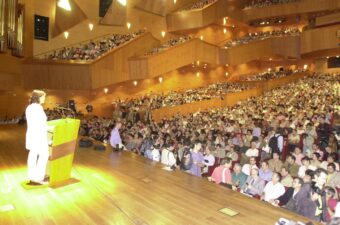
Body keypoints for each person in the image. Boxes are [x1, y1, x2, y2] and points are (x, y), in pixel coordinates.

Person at [25, 90, 49, 185]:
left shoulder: (30, 107)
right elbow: (41, 124)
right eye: (43, 97)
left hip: (32, 135)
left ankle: (32, 176)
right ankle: (38, 177)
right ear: (38, 97)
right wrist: (50, 128)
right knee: (44, 155)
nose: (44, 98)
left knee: (33, 155)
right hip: (39, 135)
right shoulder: (38, 108)